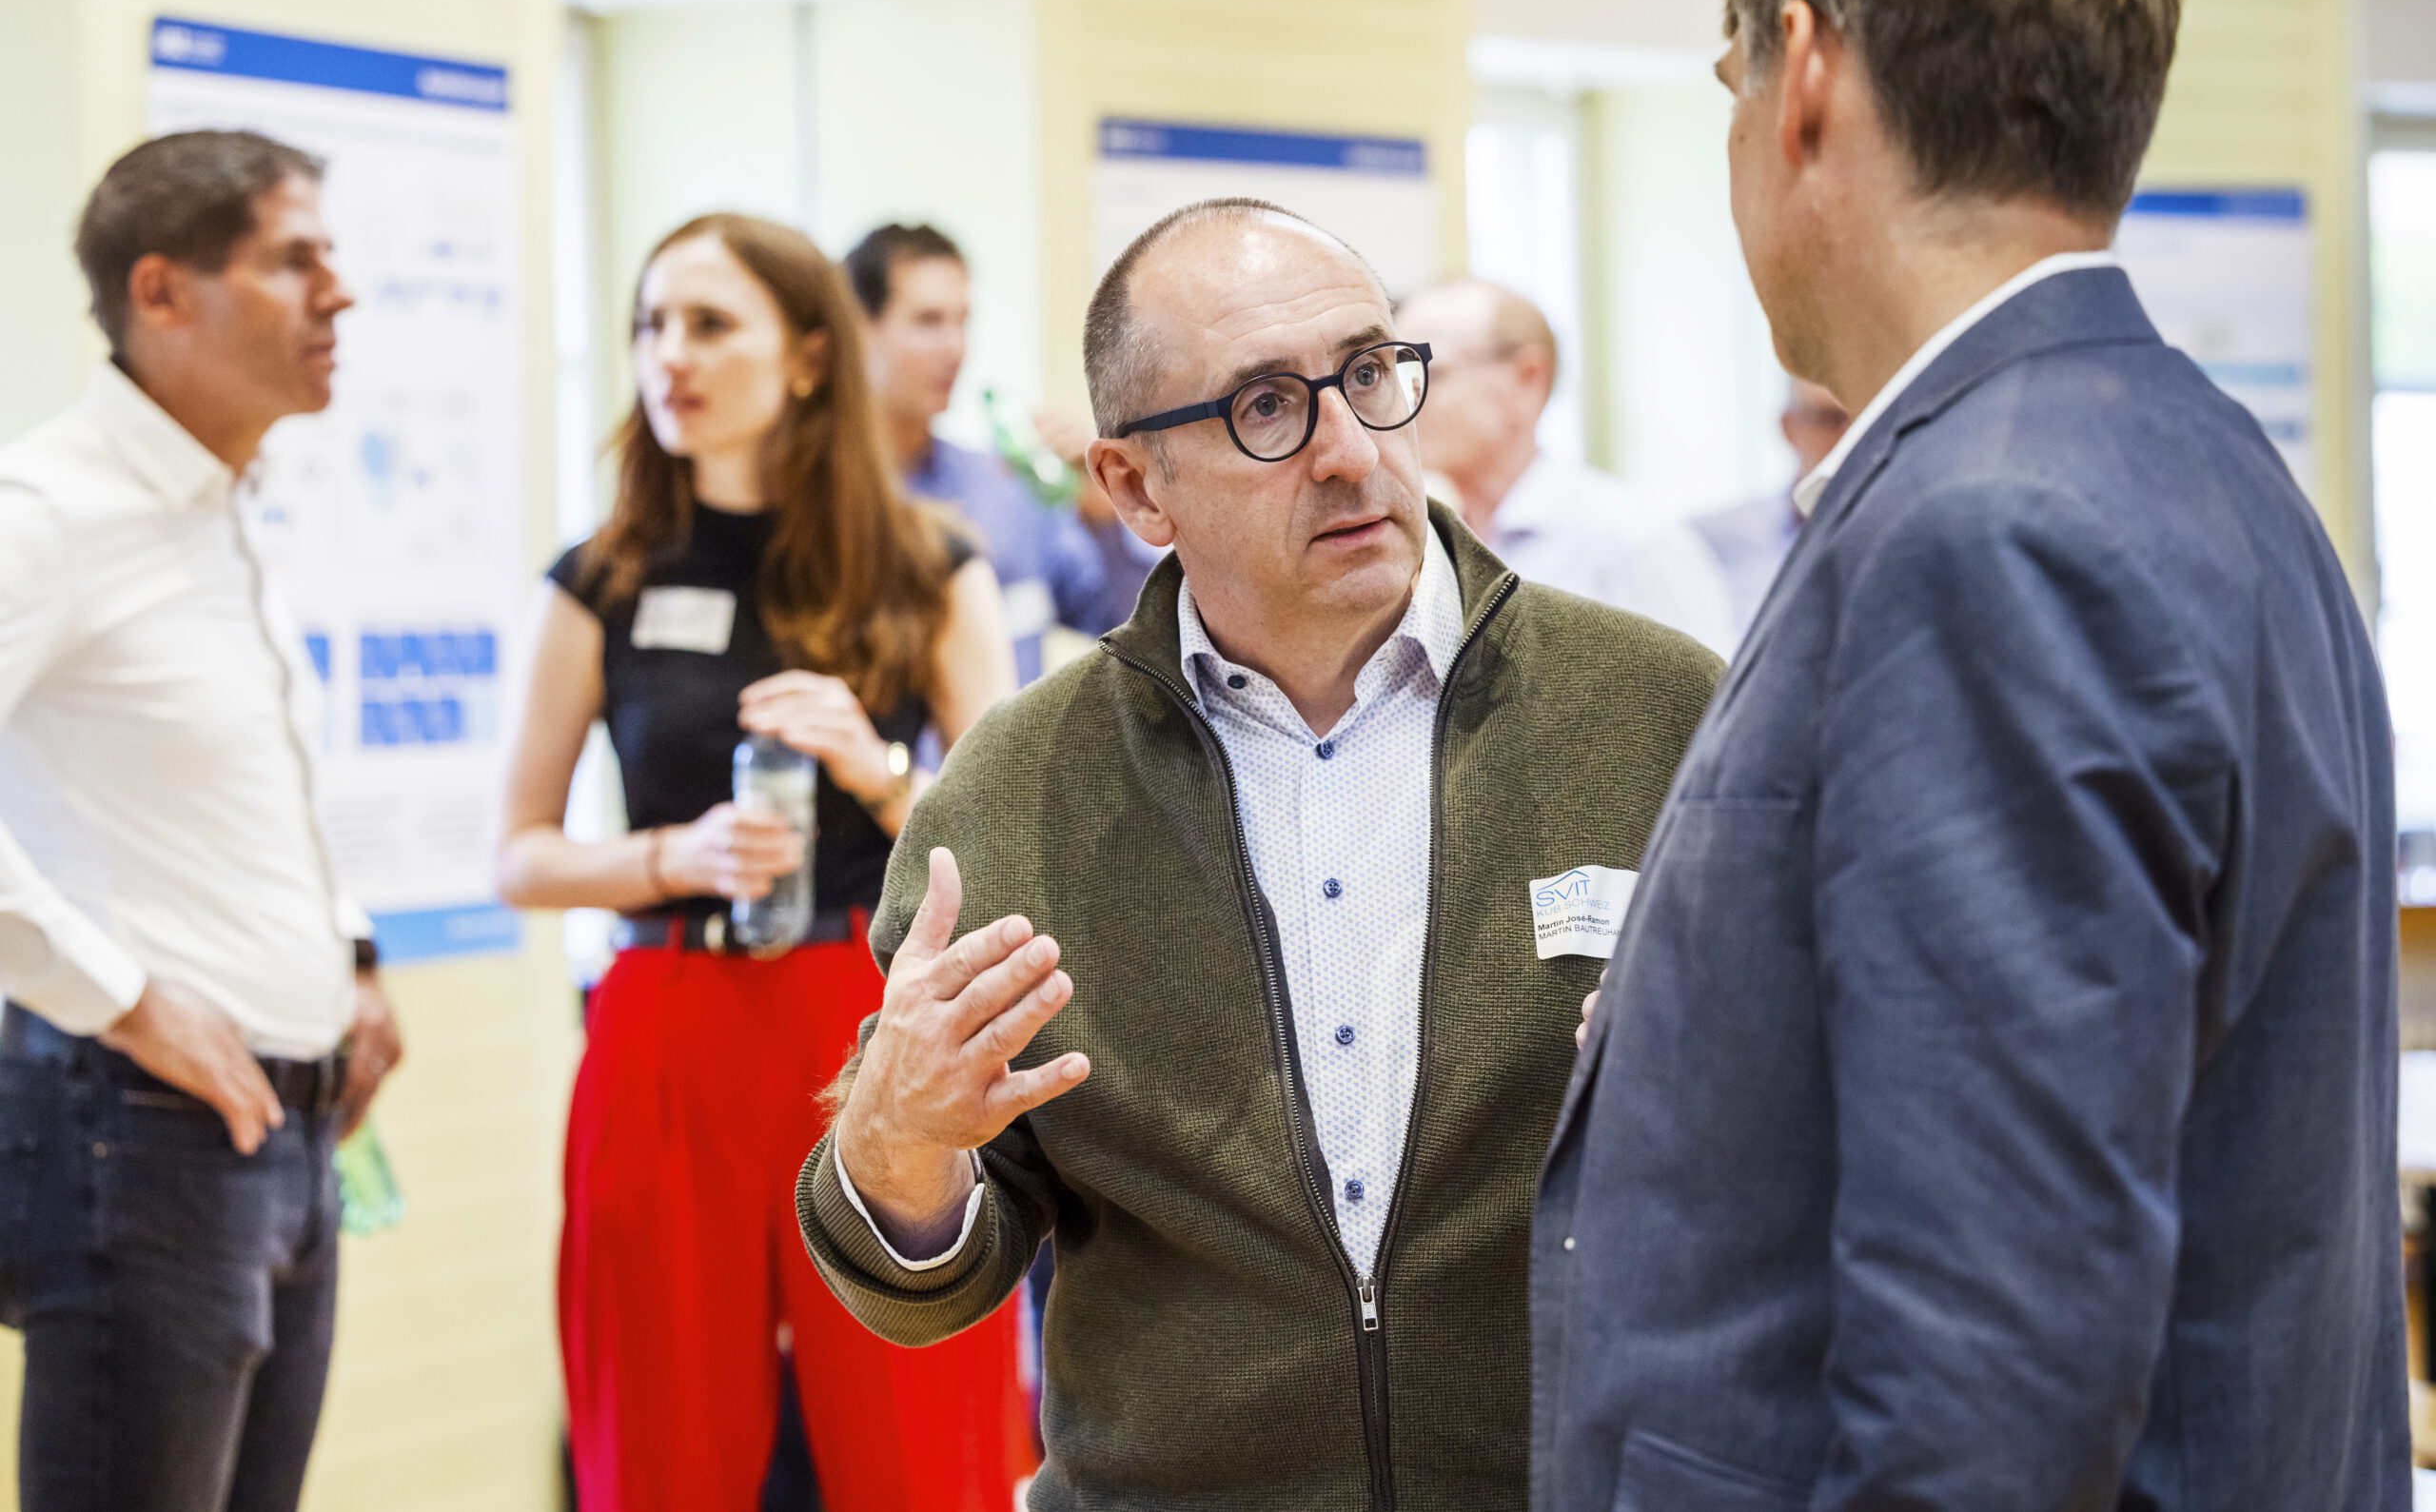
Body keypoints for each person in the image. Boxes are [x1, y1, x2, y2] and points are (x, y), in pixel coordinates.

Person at [1536, 0, 2407, 1508]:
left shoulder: (1989, 528)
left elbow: (1996, 1365)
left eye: (1726, 83)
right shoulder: (2201, 458)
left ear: (1802, 75)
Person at [796, 198, 1721, 1509]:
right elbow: (929, 1281)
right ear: (1134, 486)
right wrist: (898, 1144)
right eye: (1267, 407)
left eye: (1367, 374)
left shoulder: (1658, 711)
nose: (1349, 450)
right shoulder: (1018, 789)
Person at [495, 213, 1031, 1510]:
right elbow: (521, 856)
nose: (668, 356)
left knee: (916, 1440)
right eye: (650, 326)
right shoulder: (600, 579)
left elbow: (1014, 843)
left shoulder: (926, 568)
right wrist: (667, 853)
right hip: (666, 1026)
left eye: (708, 324)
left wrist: (873, 768)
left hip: (870, 1026)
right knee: (660, 1444)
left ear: (805, 357)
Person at [0, 130, 405, 1511]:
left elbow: (240, 782)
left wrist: (350, 954)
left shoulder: (223, 501)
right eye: (295, 261)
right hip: (134, 1130)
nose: (339, 292)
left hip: (286, 1134)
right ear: (162, 292)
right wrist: (118, 996)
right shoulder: (50, 511)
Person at [1394, 276, 1738, 654]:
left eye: (1432, 374)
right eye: (1394, 379)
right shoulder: (1421, 542)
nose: (1403, 402)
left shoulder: (1631, 543)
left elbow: (1707, 685)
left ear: (1526, 379)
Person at [847, 224, 1107, 682]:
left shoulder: (1007, 488)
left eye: (962, 321)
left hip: (1016, 730)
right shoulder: (821, 502)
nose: (955, 348)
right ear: (858, 328)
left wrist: (1108, 513)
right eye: (928, 321)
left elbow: (1117, 618)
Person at [1689, 378, 1849, 638]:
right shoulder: (1705, 543)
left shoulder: (1903, 538)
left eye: (1864, 421)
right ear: (1788, 427)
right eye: (1829, 420)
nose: (1850, 436)